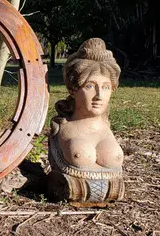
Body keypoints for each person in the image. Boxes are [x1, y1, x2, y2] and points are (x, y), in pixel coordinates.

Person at [46, 38, 125, 203]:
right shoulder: (64, 129)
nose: (99, 96)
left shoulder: (105, 128)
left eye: (105, 87)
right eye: (90, 86)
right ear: (73, 89)